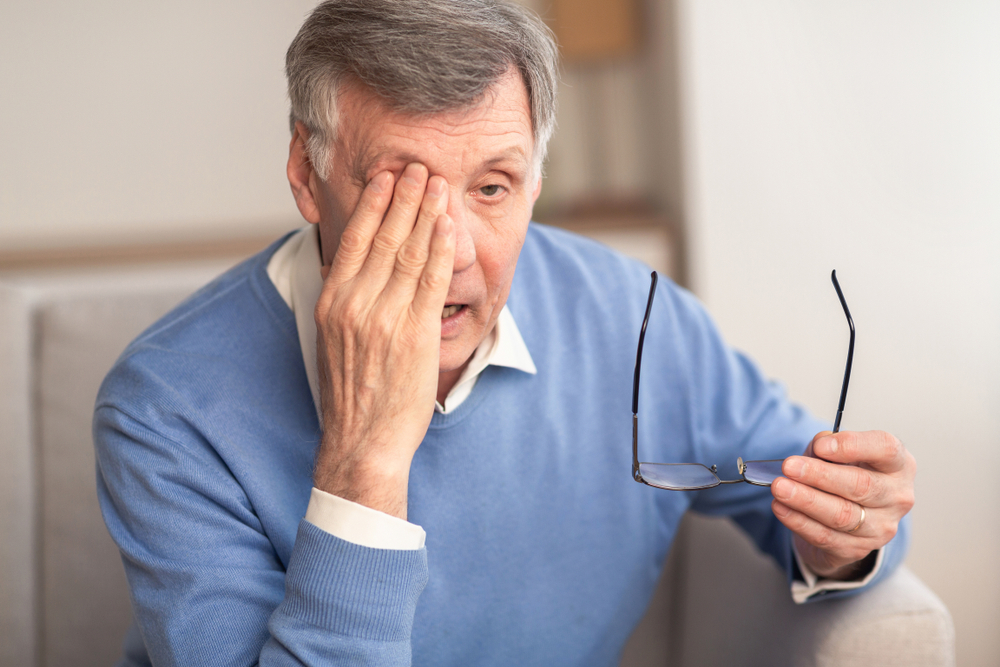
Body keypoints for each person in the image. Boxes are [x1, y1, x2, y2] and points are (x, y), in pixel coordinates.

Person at [94, 1, 916, 665]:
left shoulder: (636, 317)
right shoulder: (165, 405)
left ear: (537, 181)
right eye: (398, 191)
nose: (448, 251)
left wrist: (850, 531)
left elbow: (821, 512)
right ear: (308, 176)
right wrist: (367, 459)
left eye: (492, 187)